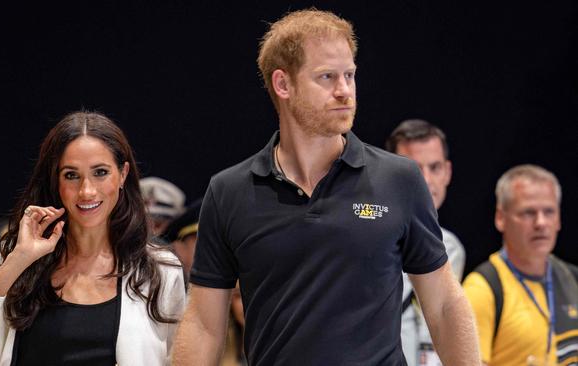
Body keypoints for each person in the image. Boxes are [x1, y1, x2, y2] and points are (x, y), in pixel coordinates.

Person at [173, 9, 479, 365]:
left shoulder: (399, 180)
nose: (344, 91)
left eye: (350, 75)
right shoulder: (229, 192)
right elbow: (204, 325)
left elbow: (443, 305)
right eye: (327, 77)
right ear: (283, 84)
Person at [0, 111, 185, 365]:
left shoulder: (159, 270)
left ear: (122, 175)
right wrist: (17, 261)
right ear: (55, 181)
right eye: (71, 175)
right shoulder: (11, 257)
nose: (86, 191)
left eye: (100, 172)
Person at [463, 165, 578, 366]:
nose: (541, 222)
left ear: (559, 219)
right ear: (500, 218)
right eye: (528, 213)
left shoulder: (573, 279)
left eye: (549, 212)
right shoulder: (482, 289)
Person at [386, 119, 466, 365]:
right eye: (414, 169)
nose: (426, 181)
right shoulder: (367, 236)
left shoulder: (451, 248)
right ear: (388, 172)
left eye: (435, 167)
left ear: (448, 172)